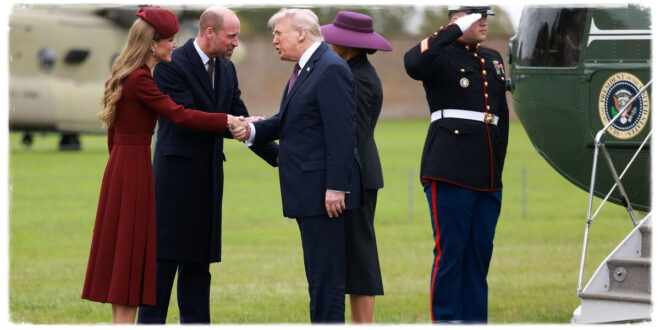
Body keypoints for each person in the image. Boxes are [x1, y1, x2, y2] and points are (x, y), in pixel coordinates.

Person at [81, 7, 245, 324]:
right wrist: (226, 119)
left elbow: (113, 135)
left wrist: (119, 166)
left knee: (127, 252)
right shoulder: (142, 79)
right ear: (152, 44)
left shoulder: (128, 74)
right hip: (135, 168)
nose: (174, 45)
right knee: (132, 253)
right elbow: (179, 114)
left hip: (123, 165)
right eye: (170, 40)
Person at [135, 6, 279, 324]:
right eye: (232, 36)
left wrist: (278, 155)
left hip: (208, 183)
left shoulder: (226, 70)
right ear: (209, 32)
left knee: (199, 272)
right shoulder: (172, 65)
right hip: (174, 185)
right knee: (162, 268)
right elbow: (185, 116)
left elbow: (241, 118)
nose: (236, 43)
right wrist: (232, 121)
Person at [236, 8, 361, 323]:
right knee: (318, 279)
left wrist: (336, 187)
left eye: (278, 33)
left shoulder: (329, 68)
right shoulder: (307, 69)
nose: (274, 40)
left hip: (324, 197)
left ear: (301, 33)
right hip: (309, 194)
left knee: (327, 281)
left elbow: (342, 134)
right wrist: (251, 130)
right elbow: (289, 120)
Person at [403, 5, 509, 323]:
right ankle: (447, 320)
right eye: (476, 16)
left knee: (479, 256)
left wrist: (498, 165)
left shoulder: (492, 57)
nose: (484, 23)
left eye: (486, 16)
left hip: (487, 170)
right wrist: (451, 31)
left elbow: (499, 117)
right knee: (451, 254)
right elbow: (412, 62)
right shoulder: (439, 53)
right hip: (449, 168)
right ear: (457, 18)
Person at [320, 11, 391, 324]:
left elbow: (350, 134)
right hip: (355, 172)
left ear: (347, 44)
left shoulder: (357, 77)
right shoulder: (352, 70)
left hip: (357, 176)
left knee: (360, 256)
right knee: (352, 254)